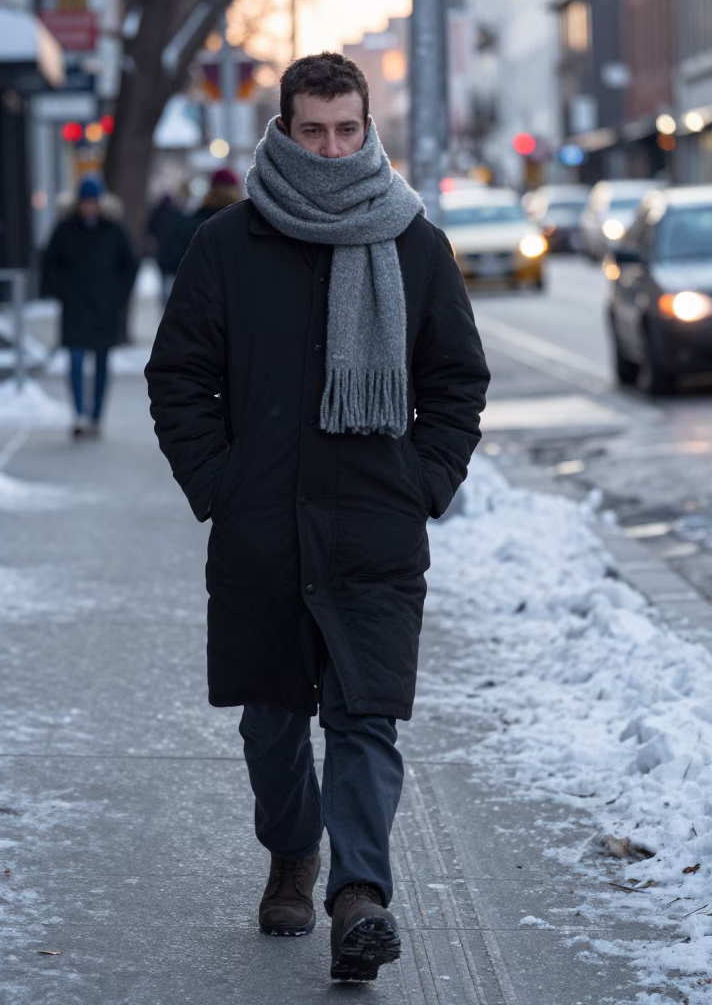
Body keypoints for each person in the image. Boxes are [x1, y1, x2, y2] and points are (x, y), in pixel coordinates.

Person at [145, 53, 489, 982]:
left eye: (347, 129)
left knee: (364, 718)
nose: (333, 148)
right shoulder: (228, 242)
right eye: (314, 130)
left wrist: (422, 482)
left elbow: (456, 381)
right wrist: (220, 482)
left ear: (367, 128)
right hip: (261, 529)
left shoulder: (414, 243)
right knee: (270, 722)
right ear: (283, 130)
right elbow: (178, 377)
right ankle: (294, 854)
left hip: (373, 532)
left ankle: (358, 896)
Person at [41, 175, 138, 439]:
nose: (89, 207)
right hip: (75, 307)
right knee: (74, 359)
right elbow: (49, 263)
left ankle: (96, 415)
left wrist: (117, 296)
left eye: (93, 201)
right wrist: (62, 291)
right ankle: (79, 413)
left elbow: (129, 265)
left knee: (102, 362)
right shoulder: (65, 229)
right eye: (85, 202)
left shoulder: (114, 230)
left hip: (103, 308)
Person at [153, 170, 243, 303]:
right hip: (237, 299)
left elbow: (179, 258)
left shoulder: (197, 221)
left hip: (201, 299)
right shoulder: (244, 222)